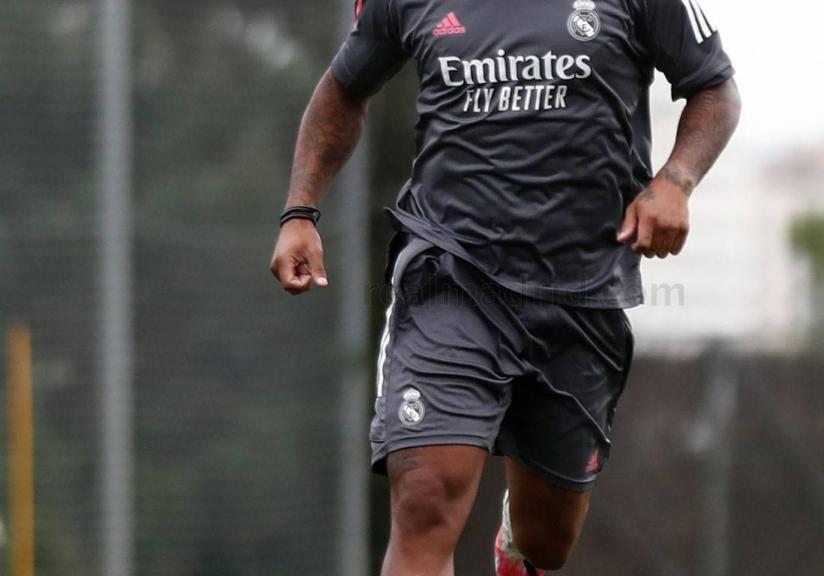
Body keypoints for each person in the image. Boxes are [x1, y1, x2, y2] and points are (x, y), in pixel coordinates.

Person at [269, 0, 740, 571]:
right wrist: (300, 211)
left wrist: (675, 181)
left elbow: (715, 88)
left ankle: (515, 542)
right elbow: (344, 88)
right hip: (450, 276)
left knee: (548, 540)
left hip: (580, 295)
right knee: (424, 500)